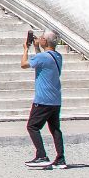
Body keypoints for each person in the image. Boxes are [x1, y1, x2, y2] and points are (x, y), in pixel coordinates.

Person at [23, 29, 66, 169]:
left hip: (43, 99)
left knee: (32, 126)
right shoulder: (57, 56)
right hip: (55, 100)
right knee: (55, 129)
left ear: (45, 41)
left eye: (41, 38)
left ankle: (41, 155)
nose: (39, 39)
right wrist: (36, 47)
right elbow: (41, 62)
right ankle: (60, 159)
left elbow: (24, 64)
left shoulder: (42, 57)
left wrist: (25, 49)